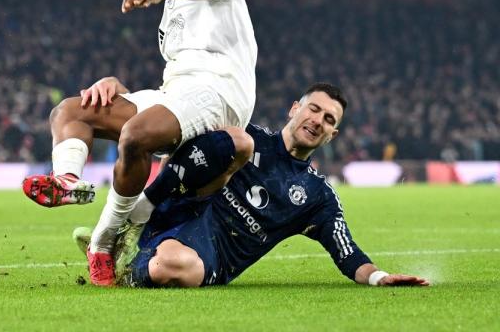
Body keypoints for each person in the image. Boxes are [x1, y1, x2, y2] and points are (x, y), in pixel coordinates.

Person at [23, 0, 258, 285]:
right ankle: (67, 179)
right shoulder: (170, 14)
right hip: (178, 94)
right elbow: (177, 86)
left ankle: (103, 241)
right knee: (71, 110)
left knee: (136, 134)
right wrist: (125, 92)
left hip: (220, 92)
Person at [74, 83, 430, 288]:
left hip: (212, 254)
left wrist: (378, 278)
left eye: (328, 119)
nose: (317, 121)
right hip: (183, 209)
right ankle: (137, 219)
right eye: (313, 109)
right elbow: (171, 116)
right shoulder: (248, 133)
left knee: (171, 263)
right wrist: (119, 88)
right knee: (230, 139)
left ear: (332, 134)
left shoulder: (318, 196)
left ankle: (124, 265)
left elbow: (347, 252)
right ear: (294, 109)